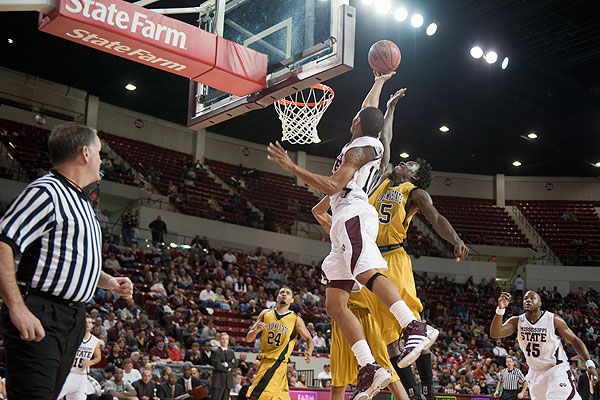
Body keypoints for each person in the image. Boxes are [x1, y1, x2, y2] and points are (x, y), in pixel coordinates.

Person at [268, 73, 436, 400]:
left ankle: (414, 326)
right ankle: (368, 366)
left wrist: (292, 167)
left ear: (357, 123)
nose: (354, 116)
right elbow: (369, 111)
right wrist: (379, 81)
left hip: (353, 213)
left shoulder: (359, 148)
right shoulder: (364, 141)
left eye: (356, 116)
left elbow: (334, 185)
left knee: (367, 272)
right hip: (345, 214)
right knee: (334, 303)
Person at [0, 122, 134, 399]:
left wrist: (108, 281)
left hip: (72, 316)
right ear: (85, 153)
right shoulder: (46, 192)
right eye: (99, 152)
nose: (101, 159)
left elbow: (70, 262)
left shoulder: (82, 201)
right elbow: (3, 242)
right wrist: (18, 307)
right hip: (42, 311)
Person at [362, 87, 468, 399]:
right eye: (405, 162)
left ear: (417, 178)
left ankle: (430, 393)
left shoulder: (414, 193)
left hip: (394, 260)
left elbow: (436, 220)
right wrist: (391, 108)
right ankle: (414, 395)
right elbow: (385, 141)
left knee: (413, 329)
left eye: (411, 166)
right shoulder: (381, 178)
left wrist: (457, 240)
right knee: (392, 340)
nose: (404, 164)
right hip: (371, 261)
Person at [491, 291, 599, 400]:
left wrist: (589, 364)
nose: (528, 300)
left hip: (556, 369)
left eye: (532, 298)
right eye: (525, 298)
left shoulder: (553, 320)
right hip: (535, 372)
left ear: (539, 303)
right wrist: (500, 309)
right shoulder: (517, 321)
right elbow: (495, 333)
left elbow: (575, 340)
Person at [245, 287, 314, 400]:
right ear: (277, 297)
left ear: (291, 300)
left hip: (278, 363)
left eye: (288, 293)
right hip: (266, 362)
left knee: (255, 396)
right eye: (282, 292)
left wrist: (309, 352)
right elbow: (248, 338)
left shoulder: (295, 319)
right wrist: (256, 330)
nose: (284, 294)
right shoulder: (265, 313)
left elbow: (309, 339)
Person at [57, 316, 102, 400]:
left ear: (92, 325)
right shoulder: (72, 337)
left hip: (81, 376)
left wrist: (91, 362)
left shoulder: (95, 341)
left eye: (89, 322)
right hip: (67, 373)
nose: (87, 324)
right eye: (85, 322)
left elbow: (98, 357)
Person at [211, 332, 238, 400]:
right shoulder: (215, 352)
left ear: (228, 340)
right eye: (223, 339)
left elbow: (236, 364)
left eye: (226, 339)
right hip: (218, 381)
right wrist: (229, 368)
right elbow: (218, 366)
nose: (225, 340)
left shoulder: (231, 352)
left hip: (227, 382)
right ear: (219, 340)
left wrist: (226, 364)